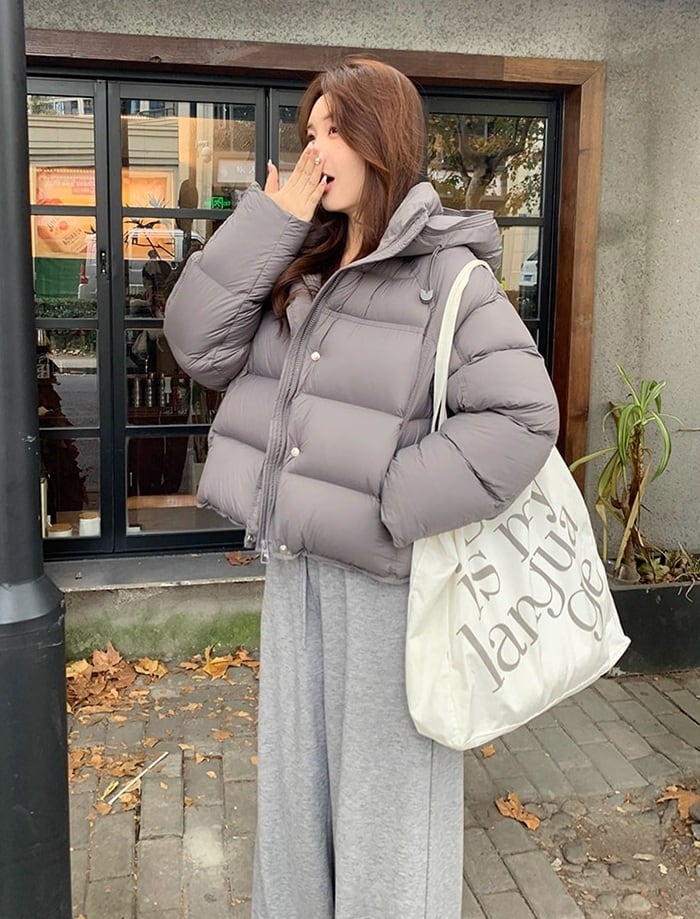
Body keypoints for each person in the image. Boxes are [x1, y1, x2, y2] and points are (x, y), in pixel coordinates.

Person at [164, 57, 559, 919]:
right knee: (295, 811)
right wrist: (273, 221)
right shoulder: (298, 265)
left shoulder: (447, 276)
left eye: (336, 129)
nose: (316, 148)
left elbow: (524, 415)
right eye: (309, 131)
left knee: (387, 824)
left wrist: (388, 499)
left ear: (384, 140)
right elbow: (195, 344)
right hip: (295, 573)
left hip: (388, 591)